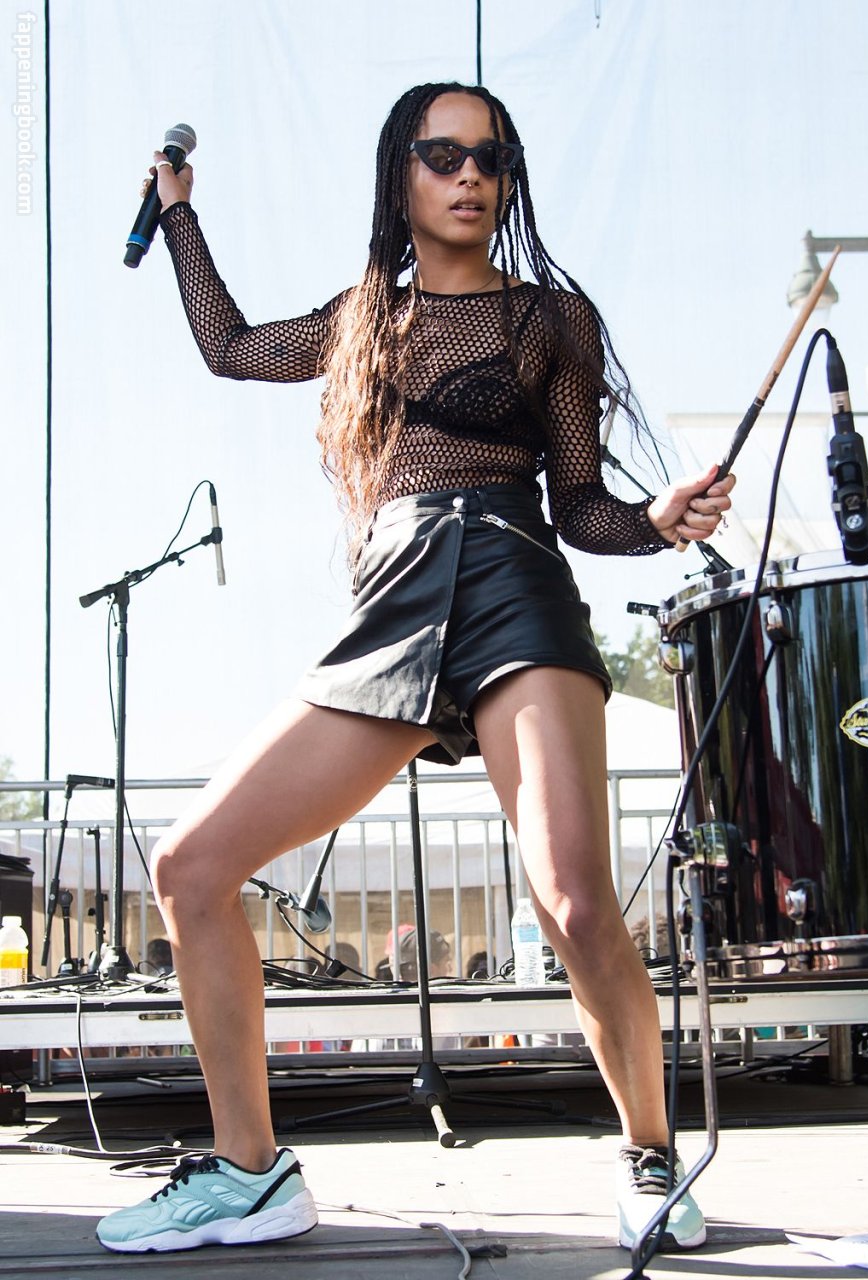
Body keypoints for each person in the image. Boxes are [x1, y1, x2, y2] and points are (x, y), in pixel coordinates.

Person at [97, 81, 733, 1255]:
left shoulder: (551, 319)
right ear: (402, 173)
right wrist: (179, 212)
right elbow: (230, 349)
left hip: (515, 586)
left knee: (573, 896)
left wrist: (657, 520)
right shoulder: (363, 320)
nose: (469, 174)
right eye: (443, 154)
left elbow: (582, 504)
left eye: (489, 157)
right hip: (394, 601)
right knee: (189, 864)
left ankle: (652, 1152)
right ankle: (250, 1172)